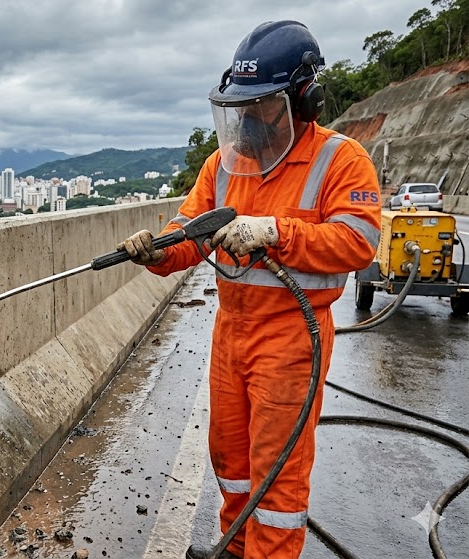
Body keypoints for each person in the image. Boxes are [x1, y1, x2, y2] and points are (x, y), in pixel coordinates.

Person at [119, 20, 382, 559]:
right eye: (240, 106)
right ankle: (235, 551)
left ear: (302, 100)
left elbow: (359, 242)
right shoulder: (223, 164)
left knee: (276, 480)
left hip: (292, 337)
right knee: (231, 462)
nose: (247, 119)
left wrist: (275, 232)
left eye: (260, 105)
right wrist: (157, 249)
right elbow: (189, 235)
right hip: (232, 332)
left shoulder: (341, 160)